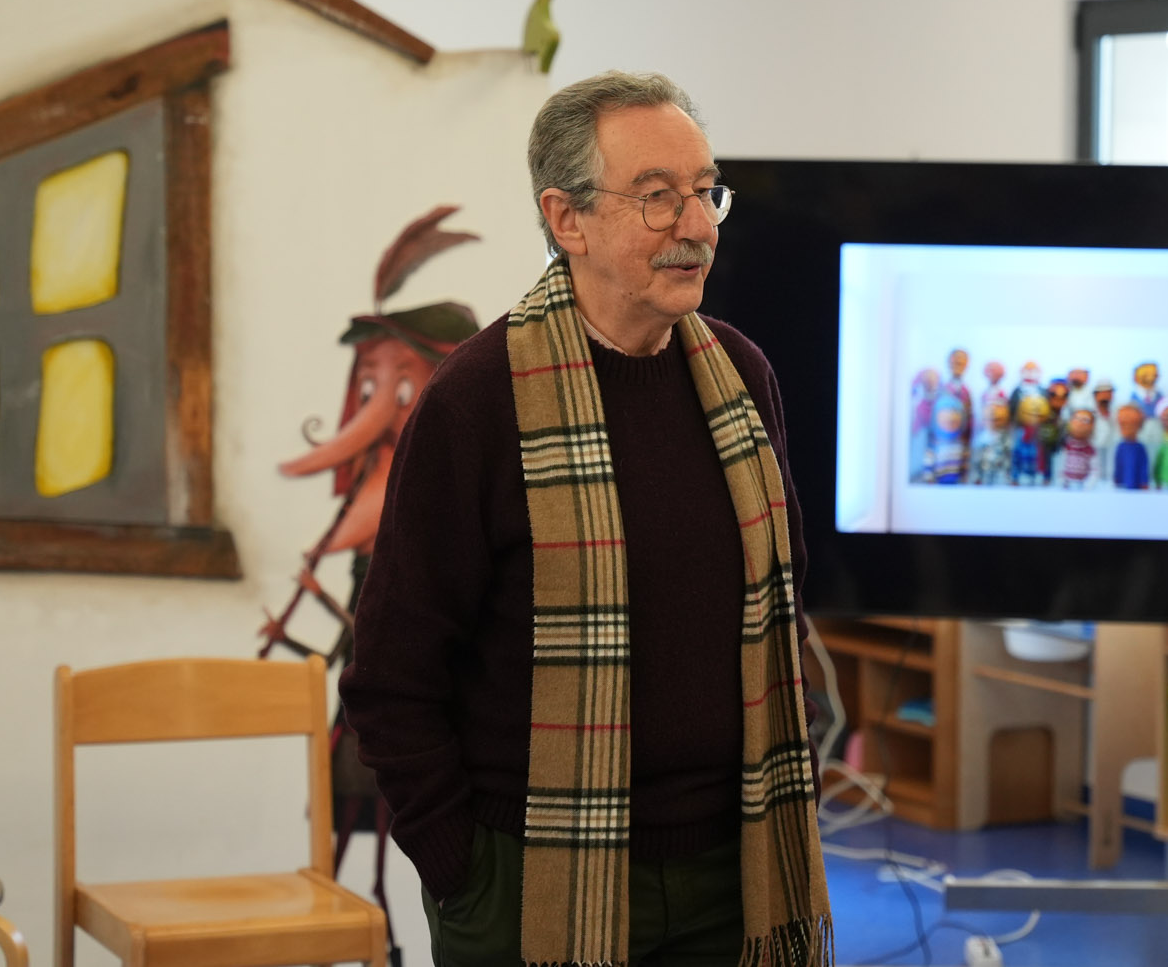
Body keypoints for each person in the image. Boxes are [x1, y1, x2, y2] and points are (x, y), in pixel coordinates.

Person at [339, 71, 833, 967]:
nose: (697, 225)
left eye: (706, 190)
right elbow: (390, 674)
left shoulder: (743, 376)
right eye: (658, 197)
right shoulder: (478, 400)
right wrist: (462, 870)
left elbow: (783, 603)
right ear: (567, 219)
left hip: (737, 873)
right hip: (535, 884)